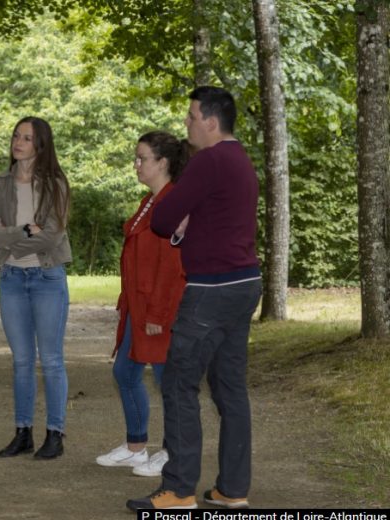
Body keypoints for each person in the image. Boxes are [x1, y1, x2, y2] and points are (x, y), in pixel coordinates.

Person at [127, 86, 262, 510]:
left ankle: (179, 490)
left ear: (210, 120)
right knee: (229, 388)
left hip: (210, 289)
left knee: (178, 383)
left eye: (190, 117)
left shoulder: (209, 160)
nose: (186, 126)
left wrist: (183, 221)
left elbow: (163, 220)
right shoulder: (241, 160)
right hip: (244, 284)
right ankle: (233, 489)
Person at [95, 132, 187, 477]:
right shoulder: (149, 201)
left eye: (142, 158)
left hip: (160, 308)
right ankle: (136, 447)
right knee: (125, 372)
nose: (136, 164)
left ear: (162, 163)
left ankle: (173, 452)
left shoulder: (173, 201)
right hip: (139, 305)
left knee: (168, 382)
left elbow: (173, 266)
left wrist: (159, 314)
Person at [0, 116, 72, 460]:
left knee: (50, 360)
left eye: (27, 138)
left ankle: (55, 434)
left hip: (47, 278)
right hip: (11, 281)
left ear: (40, 145)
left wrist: (12, 240)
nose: (18, 142)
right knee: (21, 361)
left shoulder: (56, 184)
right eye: (16, 136)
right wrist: (24, 231)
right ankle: (23, 433)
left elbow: (53, 235)